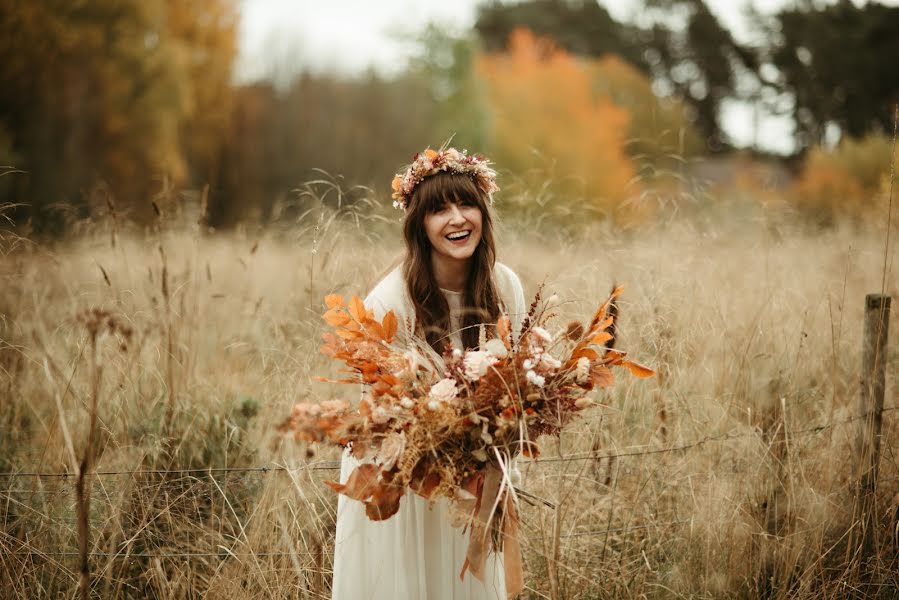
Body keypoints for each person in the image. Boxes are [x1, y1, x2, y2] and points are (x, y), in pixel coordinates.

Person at [331, 147, 527, 600]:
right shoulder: (391, 302)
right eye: (439, 209)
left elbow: (515, 380)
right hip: (408, 481)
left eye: (466, 204)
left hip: (476, 478)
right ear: (419, 225)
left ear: (483, 211)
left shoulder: (505, 286)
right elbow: (382, 414)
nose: (457, 219)